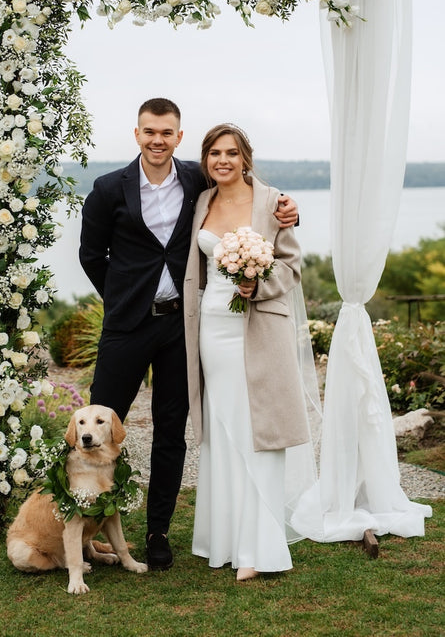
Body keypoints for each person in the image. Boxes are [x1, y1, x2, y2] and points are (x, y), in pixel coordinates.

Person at [79, 100, 299, 571]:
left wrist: (289, 210)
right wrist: (121, 298)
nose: (158, 140)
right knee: (96, 426)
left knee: (171, 430)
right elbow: (91, 257)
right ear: (136, 134)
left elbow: (249, 192)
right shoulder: (105, 189)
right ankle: (85, 527)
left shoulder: (197, 181)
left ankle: (158, 531)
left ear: (179, 138)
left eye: (167, 133)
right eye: (149, 132)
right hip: (126, 327)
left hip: (183, 327)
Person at [183, 123, 312, 581]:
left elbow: (292, 267)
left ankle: (259, 546)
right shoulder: (202, 201)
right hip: (210, 330)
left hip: (256, 328)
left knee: (257, 426)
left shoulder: (273, 201)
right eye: (215, 153)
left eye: (231, 153)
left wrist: (258, 283)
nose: (223, 161)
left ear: (245, 158)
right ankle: (225, 538)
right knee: (222, 429)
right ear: (206, 160)